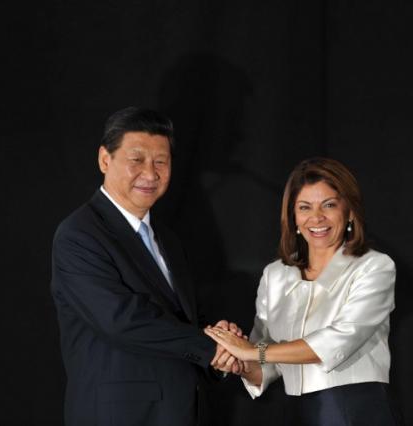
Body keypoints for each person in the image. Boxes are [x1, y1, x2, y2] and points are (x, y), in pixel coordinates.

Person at [51, 107, 241, 426]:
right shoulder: (78, 235)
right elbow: (123, 320)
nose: (150, 174)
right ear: (104, 159)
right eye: (136, 159)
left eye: (161, 162)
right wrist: (213, 347)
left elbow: (185, 317)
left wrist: (223, 339)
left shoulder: (166, 238)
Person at [204, 157, 402, 425]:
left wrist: (251, 352)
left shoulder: (375, 267)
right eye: (305, 207)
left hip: (356, 411)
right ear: (293, 217)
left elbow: (337, 341)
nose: (316, 217)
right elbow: (265, 366)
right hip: (295, 414)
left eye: (329, 205)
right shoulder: (275, 274)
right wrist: (236, 358)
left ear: (349, 211)